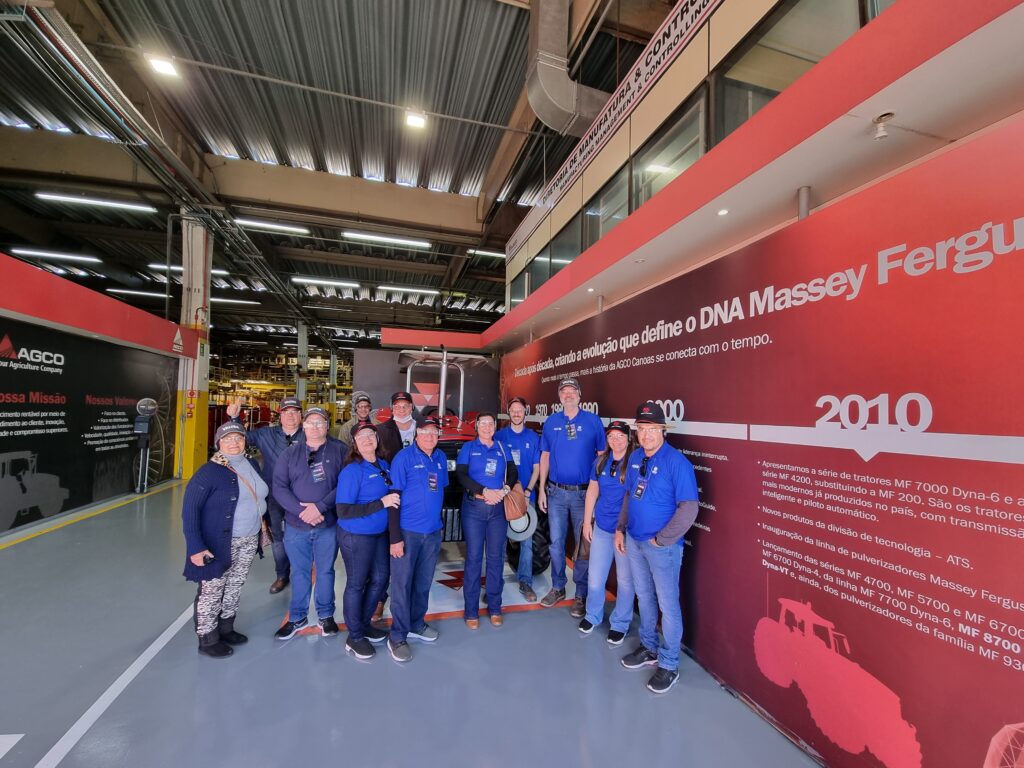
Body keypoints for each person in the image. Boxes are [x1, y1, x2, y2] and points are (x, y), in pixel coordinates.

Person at [616, 401, 699, 694]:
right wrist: (620, 529)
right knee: (644, 597)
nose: (646, 434)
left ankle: (669, 664)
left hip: (662, 548)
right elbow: (629, 496)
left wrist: (662, 539)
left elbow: (689, 508)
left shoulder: (677, 463)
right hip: (635, 541)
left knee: (668, 605)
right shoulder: (636, 456)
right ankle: (649, 648)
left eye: (652, 429)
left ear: (663, 430)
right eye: (642, 429)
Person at [182, 422, 268, 658]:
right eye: (227, 439)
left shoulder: (251, 464)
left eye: (238, 438)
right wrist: (196, 547)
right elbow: (190, 511)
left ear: (245, 441)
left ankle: (226, 628)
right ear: (218, 443)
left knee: (234, 585)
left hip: (249, 538)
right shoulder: (208, 472)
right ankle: (207, 638)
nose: (234, 443)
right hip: (219, 542)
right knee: (212, 588)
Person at [272, 406, 346, 640]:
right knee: (300, 572)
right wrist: (302, 511)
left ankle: (326, 615)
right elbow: (279, 487)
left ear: (327, 426)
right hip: (296, 525)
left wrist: (320, 507)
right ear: (303, 426)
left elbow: (345, 484)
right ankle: (298, 617)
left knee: (325, 571)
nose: (315, 427)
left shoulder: (340, 450)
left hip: (327, 524)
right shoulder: (290, 454)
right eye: (310, 422)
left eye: (320, 422)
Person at [537, 377, 605, 616]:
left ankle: (581, 594)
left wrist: (599, 493)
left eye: (572, 391)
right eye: (564, 391)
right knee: (556, 543)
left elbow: (602, 456)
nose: (568, 395)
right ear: (559, 397)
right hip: (555, 493)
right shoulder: (551, 421)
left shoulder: (593, 421)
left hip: (583, 495)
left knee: (582, 546)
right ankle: (558, 587)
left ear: (579, 395)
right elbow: (544, 456)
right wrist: (541, 489)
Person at [385, 416, 449, 663]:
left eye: (434, 432)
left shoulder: (440, 458)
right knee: (402, 585)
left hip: (432, 533)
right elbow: (393, 498)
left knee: (423, 583)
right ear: (416, 434)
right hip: (407, 532)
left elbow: (438, 490)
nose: (430, 436)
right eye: (425, 432)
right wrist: (395, 538)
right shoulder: (403, 458)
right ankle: (397, 635)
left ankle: (416, 623)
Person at [226, 395, 303, 594]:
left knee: (303, 535)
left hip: (302, 496)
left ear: (301, 415)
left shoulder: (309, 435)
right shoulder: (266, 434)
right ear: (280, 415)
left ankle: (302, 573)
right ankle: (282, 575)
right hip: (275, 496)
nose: (291, 416)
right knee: (278, 536)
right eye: (287, 412)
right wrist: (235, 418)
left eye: (295, 412)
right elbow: (243, 437)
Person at [335, 420, 398, 660]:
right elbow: (344, 510)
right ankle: (354, 637)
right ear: (354, 443)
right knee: (357, 583)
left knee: (381, 578)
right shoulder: (352, 471)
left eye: (371, 435)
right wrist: (381, 503)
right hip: (356, 535)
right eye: (362, 437)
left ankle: (363, 624)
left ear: (377, 439)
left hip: (379, 534)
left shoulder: (383, 464)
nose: (368, 439)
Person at [456, 412, 518, 628]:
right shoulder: (468, 448)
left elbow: (513, 471)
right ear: (476, 426)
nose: (487, 427)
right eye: (483, 423)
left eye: (491, 423)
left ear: (495, 426)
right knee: (474, 558)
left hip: (498, 510)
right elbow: (461, 475)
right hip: (474, 509)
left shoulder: (502, 447)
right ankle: (471, 611)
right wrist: (484, 491)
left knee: (496, 558)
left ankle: (495, 607)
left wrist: (504, 490)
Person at [578, 420, 635, 646]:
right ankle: (593, 615)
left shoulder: (635, 461)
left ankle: (620, 624)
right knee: (595, 578)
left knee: (625, 581)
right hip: (602, 527)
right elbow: (592, 491)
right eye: (611, 436)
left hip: (625, 532)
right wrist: (587, 522)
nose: (616, 440)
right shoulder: (601, 461)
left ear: (628, 438)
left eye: (620, 436)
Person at [495, 396, 541, 602]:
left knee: (527, 541)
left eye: (520, 410)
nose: (516, 413)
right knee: (497, 540)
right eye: (513, 410)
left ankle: (525, 581)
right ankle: (495, 584)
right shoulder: (499, 436)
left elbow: (537, 468)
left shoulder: (533, 437)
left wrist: (529, 490)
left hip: (525, 496)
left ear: (525, 412)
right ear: (508, 412)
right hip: (503, 496)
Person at [377, 390, 424, 459]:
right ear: (392, 409)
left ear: (412, 408)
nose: (402, 410)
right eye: (397, 406)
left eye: (406, 406)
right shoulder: (380, 431)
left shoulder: (422, 427)